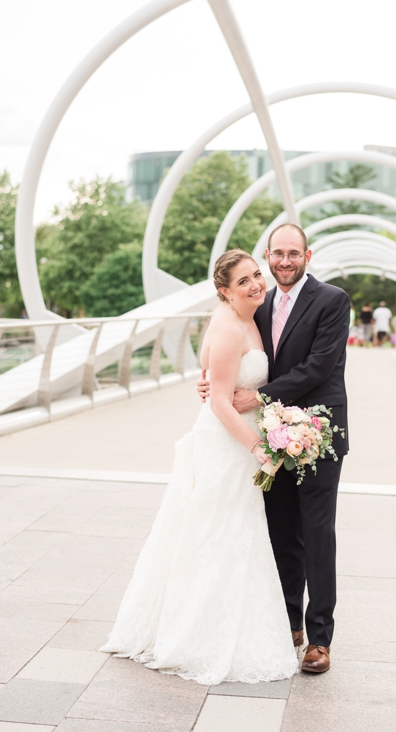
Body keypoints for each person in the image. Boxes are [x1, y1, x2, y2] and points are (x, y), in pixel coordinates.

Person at [101, 249, 299, 685]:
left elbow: (211, 375)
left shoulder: (250, 317)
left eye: (255, 275)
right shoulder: (231, 326)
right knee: (217, 532)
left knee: (232, 534)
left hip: (238, 436)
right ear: (225, 292)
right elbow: (219, 403)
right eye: (243, 281)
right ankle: (194, 634)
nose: (255, 284)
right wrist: (258, 449)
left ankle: (225, 619)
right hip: (228, 443)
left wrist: (214, 380)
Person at [197, 223, 351, 674]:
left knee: (318, 535)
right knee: (282, 534)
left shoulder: (332, 300)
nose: (284, 261)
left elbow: (320, 365)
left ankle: (319, 638)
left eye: (293, 253)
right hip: (270, 436)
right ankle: (289, 624)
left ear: (308, 255)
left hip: (318, 433)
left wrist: (262, 396)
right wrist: (210, 381)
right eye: (277, 254)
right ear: (268, 255)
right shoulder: (256, 304)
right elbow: (230, 351)